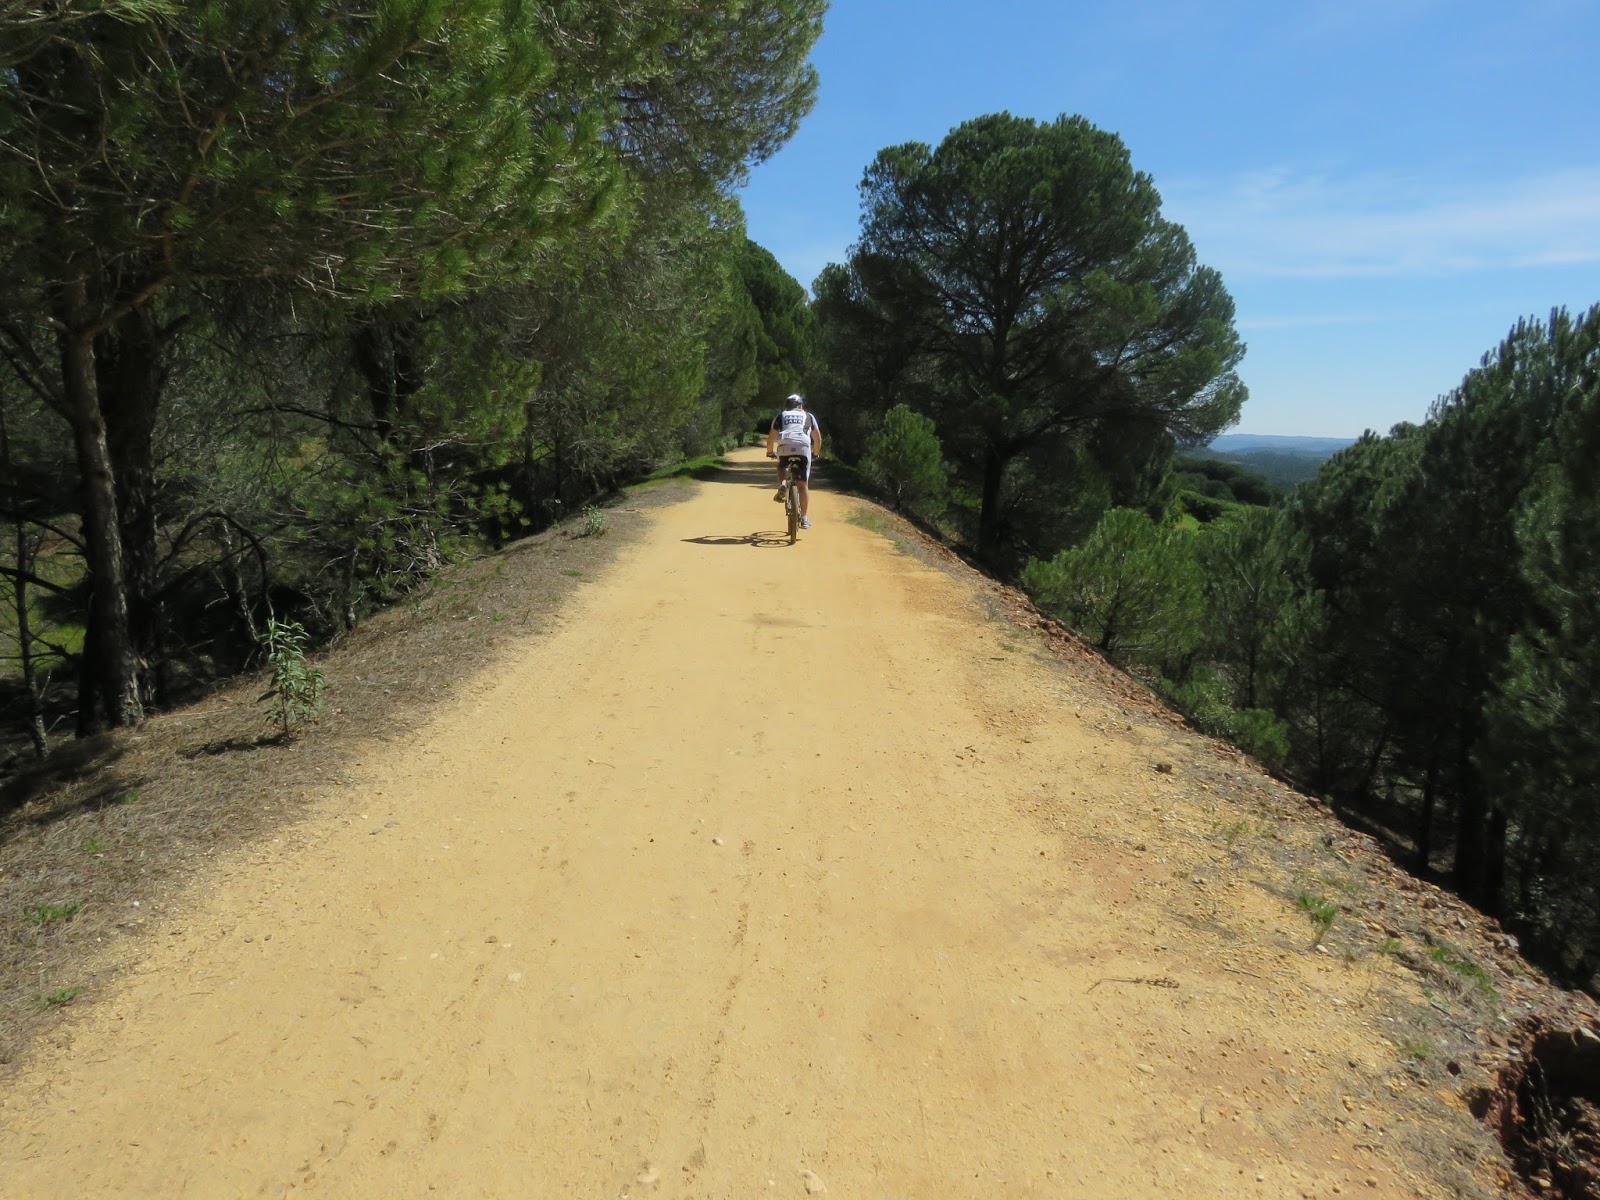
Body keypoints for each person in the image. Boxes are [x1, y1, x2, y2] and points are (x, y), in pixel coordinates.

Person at [765, 393, 822, 528]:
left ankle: (783, 484)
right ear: (801, 405)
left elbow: (771, 438)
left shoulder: (781, 415)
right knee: (803, 485)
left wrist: (769, 452)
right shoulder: (809, 416)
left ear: (787, 405)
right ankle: (804, 518)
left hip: (785, 445)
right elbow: (818, 439)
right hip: (803, 447)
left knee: (781, 466)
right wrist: (816, 453)